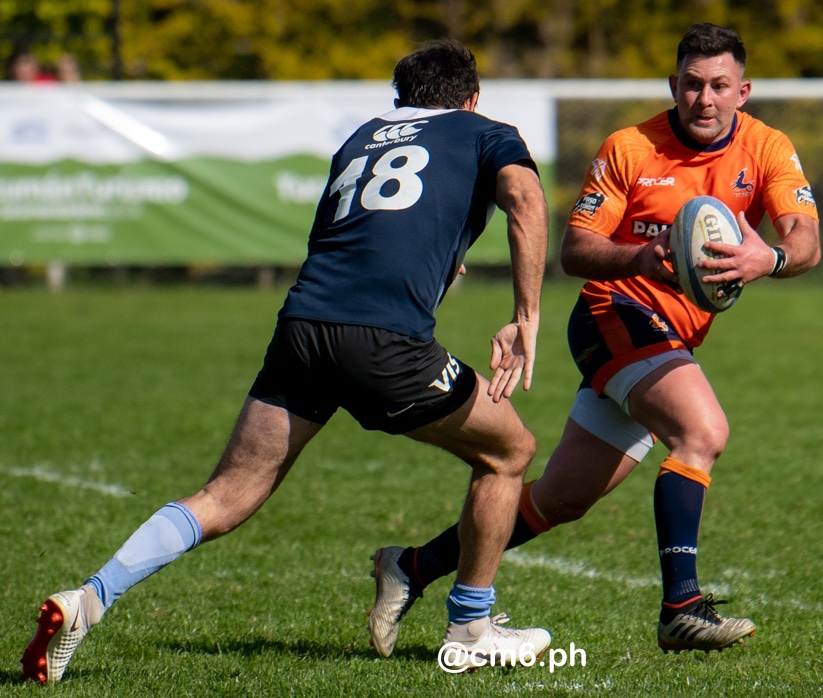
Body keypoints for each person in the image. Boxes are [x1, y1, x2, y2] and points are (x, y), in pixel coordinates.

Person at [21, 39, 551, 683]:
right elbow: (524, 199)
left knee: (227, 492)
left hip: (303, 326)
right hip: (381, 340)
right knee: (509, 452)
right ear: (471, 98)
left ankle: (90, 598)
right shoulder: (484, 131)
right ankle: (471, 623)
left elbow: (350, 233)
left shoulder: (359, 138)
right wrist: (526, 316)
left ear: (399, 100)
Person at [368, 22, 820, 657]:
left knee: (562, 498)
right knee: (702, 432)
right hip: (615, 314)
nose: (705, 99)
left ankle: (410, 566)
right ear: (674, 85)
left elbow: (805, 241)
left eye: (720, 86)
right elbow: (575, 250)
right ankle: (681, 608)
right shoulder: (631, 147)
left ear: (743, 91)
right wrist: (641, 256)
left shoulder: (769, 148)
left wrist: (765, 258)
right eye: (691, 85)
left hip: (671, 340)